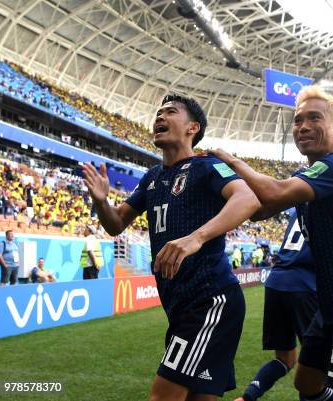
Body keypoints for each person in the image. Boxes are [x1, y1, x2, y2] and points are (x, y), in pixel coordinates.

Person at [210, 85, 333, 401]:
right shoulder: (307, 174)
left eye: (313, 118)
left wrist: (230, 160)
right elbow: (262, 209)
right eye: (297, 120)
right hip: (332, 303)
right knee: (306, 382)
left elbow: (274, 194)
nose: (303, 126)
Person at [82, 94, 260, 401]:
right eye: (158, 112)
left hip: (210, 300)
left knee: (162, 396)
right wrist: (101, 201)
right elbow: (115, 224)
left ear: (193, 128)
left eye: (170, 112)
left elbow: (248, 198)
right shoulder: (152, 177)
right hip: (180, 305)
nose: (160, 117)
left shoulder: (207, 167)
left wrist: (197, 237)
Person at [235, 208, 318, 401]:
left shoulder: (300, 206)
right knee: (317, 362)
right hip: (304, 284)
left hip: (276, 281)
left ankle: (247, 398)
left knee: (285, 359)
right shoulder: (332, 201)